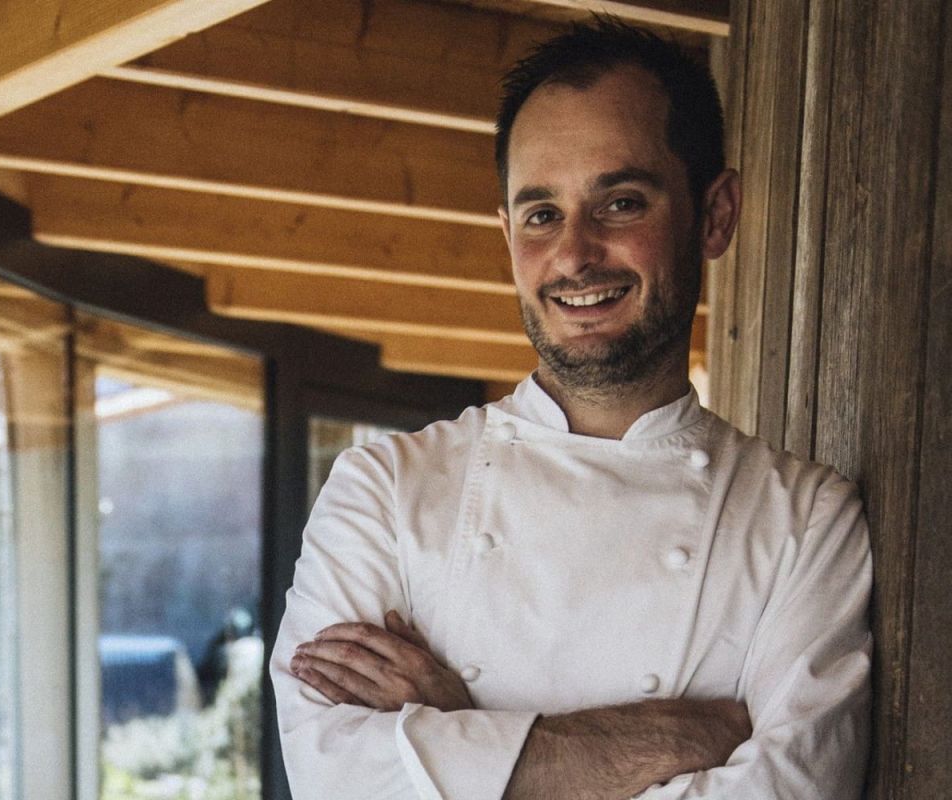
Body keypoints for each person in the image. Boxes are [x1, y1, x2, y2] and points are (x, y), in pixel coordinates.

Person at [270, 18, 871, 800]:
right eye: (541, 214)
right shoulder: (384, 489)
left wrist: (461, 741)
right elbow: (334, 777)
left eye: (621, 203)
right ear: (507, 233)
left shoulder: (803, 521)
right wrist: (670, 740)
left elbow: (793, 791)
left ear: (715, 214)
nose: (574, 255)